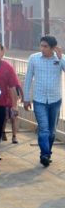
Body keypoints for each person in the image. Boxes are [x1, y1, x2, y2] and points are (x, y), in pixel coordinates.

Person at [23, 35, 65, 167]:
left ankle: (47, 152)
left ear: (53, 47)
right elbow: (28, 78)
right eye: (41, 45)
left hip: (55, 100)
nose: (42, 48)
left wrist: (61, 58)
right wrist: (26, 98)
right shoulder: (34, 58)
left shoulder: (60, 58)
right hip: (39, 100)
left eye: (45, 46)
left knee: (52, 131)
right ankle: (44, 154)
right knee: (44, 129)